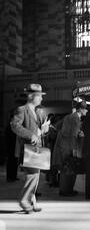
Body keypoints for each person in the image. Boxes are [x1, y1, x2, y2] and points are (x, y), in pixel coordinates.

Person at [10, 84, 49, 214]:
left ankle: (32, 201)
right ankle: (24, 200)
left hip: (36, 147)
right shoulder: (21, 110)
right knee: (33, 175)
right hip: (28, 148)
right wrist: (30, 134)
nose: (41, 99)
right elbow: (15, 126)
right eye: (39, 96)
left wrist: (44, 129)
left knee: (35, 175)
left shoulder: (38, 111)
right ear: (31, 96)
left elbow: (40, 129)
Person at [52, 101, 88, 197]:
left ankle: (64, 190)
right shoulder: (76, 118)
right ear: (80, 109)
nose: (87, 111)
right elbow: (73, 135)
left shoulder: (68, 116)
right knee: (68, 168)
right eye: (85, 109)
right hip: (68, 145)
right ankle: (66, 191)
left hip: (62, 145)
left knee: (64, 168)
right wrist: (73, 149)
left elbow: (56, 127)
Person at [5, 110, 19, 182]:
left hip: (14, 146)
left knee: (14, 161)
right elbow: (8, 138)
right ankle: (9, 177)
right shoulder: (9, 127)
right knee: (10, 162)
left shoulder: (13, 126)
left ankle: (13, 176)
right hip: (10, 147)